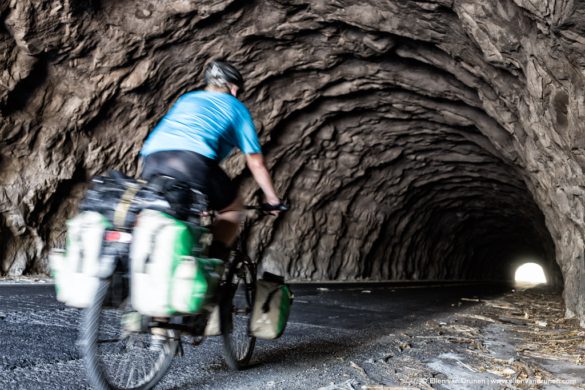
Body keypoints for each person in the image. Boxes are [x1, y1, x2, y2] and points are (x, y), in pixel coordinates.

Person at [140, 60, 283, 261]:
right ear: (233, 89)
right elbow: (255, 162)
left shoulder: (187, 99)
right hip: (192, 162)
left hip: (152, 159)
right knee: (233, 209)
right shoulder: (236, 107)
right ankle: (213, 262)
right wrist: (272, 199)